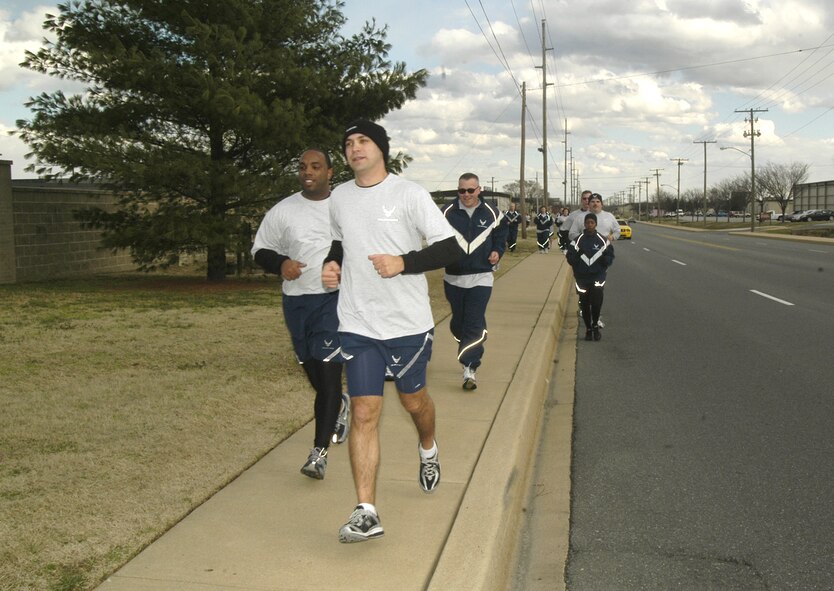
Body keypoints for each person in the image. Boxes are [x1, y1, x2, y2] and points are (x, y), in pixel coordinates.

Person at [321, 119, 461, 543]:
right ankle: (366, 511)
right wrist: (333, 264)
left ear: (380, 149)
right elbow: (339, 242)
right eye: (348, 143)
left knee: (413, 401)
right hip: (358, 323)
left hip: (407, 325)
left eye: (363, 141)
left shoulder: (409, 193)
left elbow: (451, 246)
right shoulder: (340, 197)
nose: (355, 148)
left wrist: (404, 262)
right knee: (364, 412)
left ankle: (429, 447)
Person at [251, 148, 349, 481]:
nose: (308, 171)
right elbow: (259, 249)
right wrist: (281, 264)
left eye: (316, 166)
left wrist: (337, 265)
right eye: (303, 167)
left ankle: (319, 453)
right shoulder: (284, 210)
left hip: (332, 302)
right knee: (314, 374)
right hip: (296, 303)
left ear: (330, 172)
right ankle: (338, 404)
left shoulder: (344, 208)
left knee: (328, 373)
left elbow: (355, 245)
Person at [441, 173, 508, 390]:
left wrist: (497, 251)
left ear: (479, 190)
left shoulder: (492, 213)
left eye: (471, 190)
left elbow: (500, 235)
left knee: (473, 320)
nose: (466, 195)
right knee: (459, 323)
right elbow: (434, 237)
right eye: (462, 190)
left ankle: (470, 367)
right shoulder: (446, 213)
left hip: (481, 277)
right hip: (453, 278)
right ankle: (474, 334)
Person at [565, 212, 615, 341]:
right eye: (587, 223)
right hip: (582, 278)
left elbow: (610, 256)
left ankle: (595, 326)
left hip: (597, 277)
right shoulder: (577, 241)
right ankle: (588, 328)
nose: (590, 225)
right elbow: (570, 256)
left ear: (596, 224)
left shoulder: (603, 240)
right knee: (585, 304)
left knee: (596, 303)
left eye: (592, 222)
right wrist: (577, 260)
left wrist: (605, 261)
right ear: (584, 224)